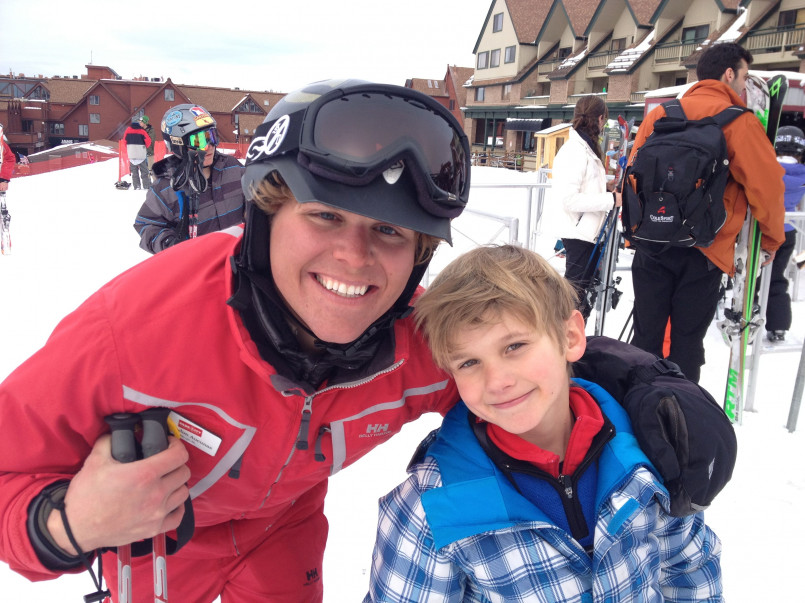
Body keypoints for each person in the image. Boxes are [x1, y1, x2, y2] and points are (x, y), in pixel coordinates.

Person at [0, 80, 727, 603]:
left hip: (282, 536)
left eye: (387, 231)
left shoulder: (409, 341)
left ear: (418, 254)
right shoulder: (133, 332)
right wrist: (68, 524)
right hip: (159, 534)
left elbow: (518, 356)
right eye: (324, 217)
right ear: (264, 214)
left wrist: (646, 384)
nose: (353, 258)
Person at [364, 244, 723, 602]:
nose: (497, 381)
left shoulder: (652, 447)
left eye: (514, 346)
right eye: (469, 363)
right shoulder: (431, 510)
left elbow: (688, 568)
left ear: (569, 337)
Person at [623, 42, 785, 382]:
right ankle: (682, 414)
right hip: (706, 248)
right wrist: (771, 239)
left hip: (653, 239)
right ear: (729, 74)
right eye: (742, 78)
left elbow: (633, 175)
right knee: (686, 342)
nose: (743, 87)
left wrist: (635, 229)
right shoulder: (740, 122)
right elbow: (766, 187)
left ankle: (638, 403)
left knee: (646, 335)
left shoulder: (662, 113)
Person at [133, 104, 245, 253]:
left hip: (239, 261)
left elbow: (258, 199)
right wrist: (170, 244)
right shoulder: (166, 188)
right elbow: (146, 224)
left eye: (212, 136)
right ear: (178, 144)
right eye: (199, 141)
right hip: (202, 267)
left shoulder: (233, 168)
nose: (209, 146)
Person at [552, 95, 620, 319]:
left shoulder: (587, 147)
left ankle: (574, 346)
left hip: (589, 233)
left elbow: (585, 188)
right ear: (600, 119)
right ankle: (564, 345)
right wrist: (610, 200)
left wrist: (606, 189)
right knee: (574, 300)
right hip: (579, 233)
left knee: (582, 299)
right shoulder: (575, 150)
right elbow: (569, 199)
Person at [765, 125, 805, 342]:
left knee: (753, 277)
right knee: (777, 277)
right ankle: (779, 325)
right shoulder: (802, 175)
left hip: (762, 231)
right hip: (789, 231)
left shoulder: (768, 169)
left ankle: (749, 320)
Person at [122, 118, 152, 191]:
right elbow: (148, 141)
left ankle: (137, 186)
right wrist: (144, 147)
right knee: (144, 171)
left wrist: (129, 148)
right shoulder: (142, 131)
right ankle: (147, 186)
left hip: (131, 154)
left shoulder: (127, 131)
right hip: (141, 154)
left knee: (134, 172)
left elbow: (124, 141)